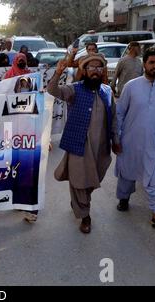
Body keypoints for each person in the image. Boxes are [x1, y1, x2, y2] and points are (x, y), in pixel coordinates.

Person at [48, 54, 118, 234]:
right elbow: (52, 90)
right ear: (84, 71)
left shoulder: (107, 91)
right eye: (91, 68)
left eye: (99, 68)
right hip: (79, 145)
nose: (95, 71)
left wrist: (116, 139)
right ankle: (85, 215)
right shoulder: (75, 89)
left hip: (101, 148)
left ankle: (79, 202)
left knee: (91, 181)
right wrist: (57, 73)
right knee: (79, 179)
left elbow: (115, 118)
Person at [115, 47, 155, 231]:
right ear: (144, 64)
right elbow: (120, 113)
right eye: (152, 63)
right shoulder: (131, 86)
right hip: (131, 138)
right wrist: (116, 137)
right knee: (127, 171)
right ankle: (124, 198)